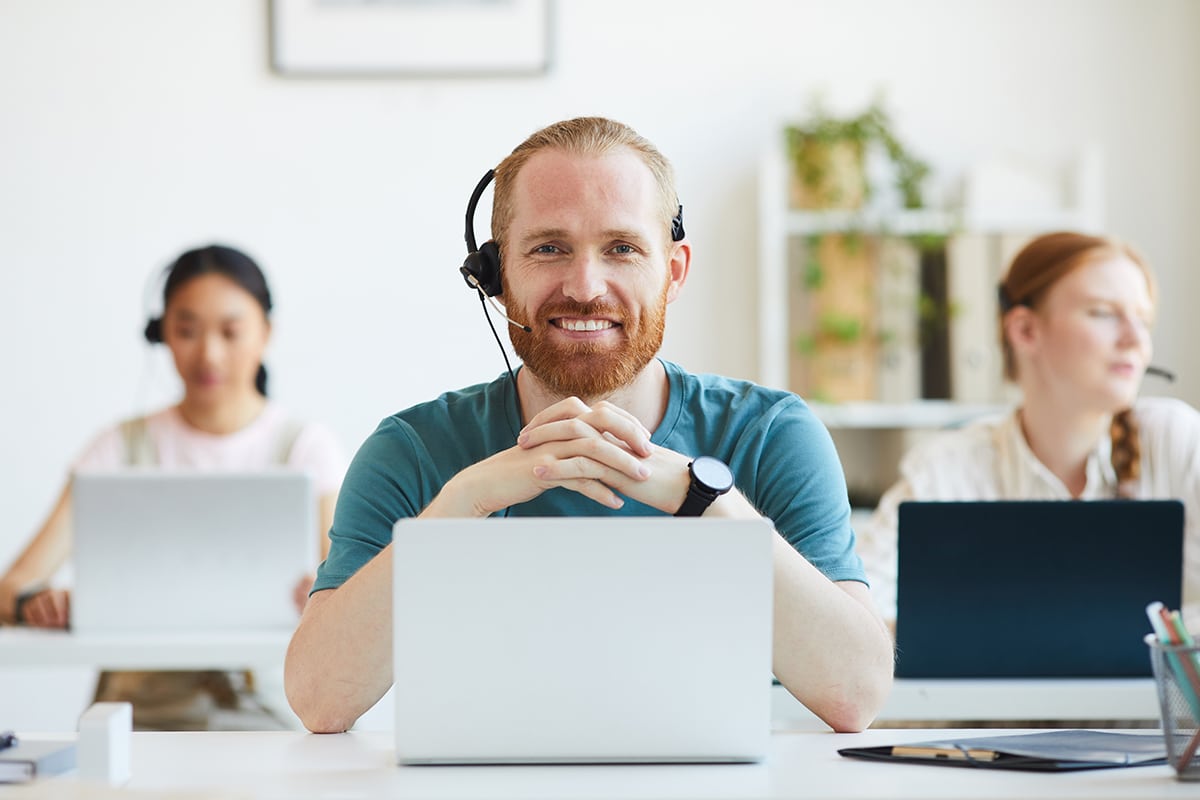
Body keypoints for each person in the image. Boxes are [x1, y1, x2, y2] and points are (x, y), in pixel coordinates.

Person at [284, 116, 894, 735]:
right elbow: (319, 700)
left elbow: (857, 694)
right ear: (495, 277)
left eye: (622, 249)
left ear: (674, 271)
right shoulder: (410, 450)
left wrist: (705, 500)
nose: (584, 286)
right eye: (548, 248)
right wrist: (457, 508)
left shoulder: (770, 434)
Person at [0, 243, 346, 729]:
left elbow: (348, 593)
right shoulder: (118, 447)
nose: (208, 353)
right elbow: (10, 586)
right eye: (186, 330)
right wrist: (33, 604)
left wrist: (324, 596)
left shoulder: (305, 448)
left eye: (230, 331)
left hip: (264, 713)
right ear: (160, 334)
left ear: (266, 332)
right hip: (134, 716)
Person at [857, 231, 1200, 631]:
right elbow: (854, 611)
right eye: (1104, 313)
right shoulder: (945, 470)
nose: (1137, 340)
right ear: (1024, 331)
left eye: (1143, 319)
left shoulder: (1177, 440)